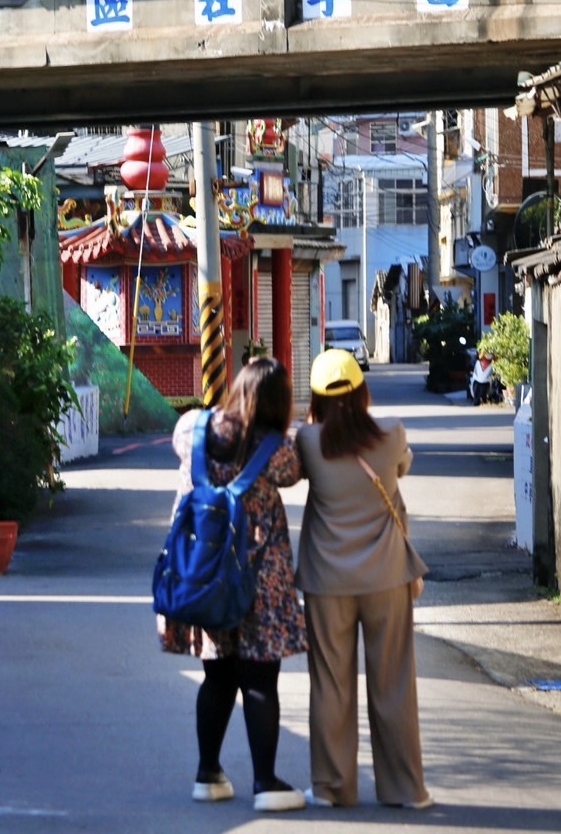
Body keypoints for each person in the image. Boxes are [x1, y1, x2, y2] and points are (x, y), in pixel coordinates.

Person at [158, 356, 307, 813]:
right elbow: (296, 471)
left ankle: (208, 773)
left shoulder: (191, 429)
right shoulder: (277, 452)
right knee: (260, 680)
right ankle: (265, 782)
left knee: (216, 676)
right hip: (260, 582)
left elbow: (178, 442)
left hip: (202, 575)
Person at [295, 348, 432, 811]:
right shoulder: (391, 435)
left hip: (326, 580)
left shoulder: (308, 442)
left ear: (315, 397)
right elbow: (402, 466)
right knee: (393, 682)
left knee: (331, 684)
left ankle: (333, 787)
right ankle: (404, 789)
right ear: (362, 391)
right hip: (387, 577)